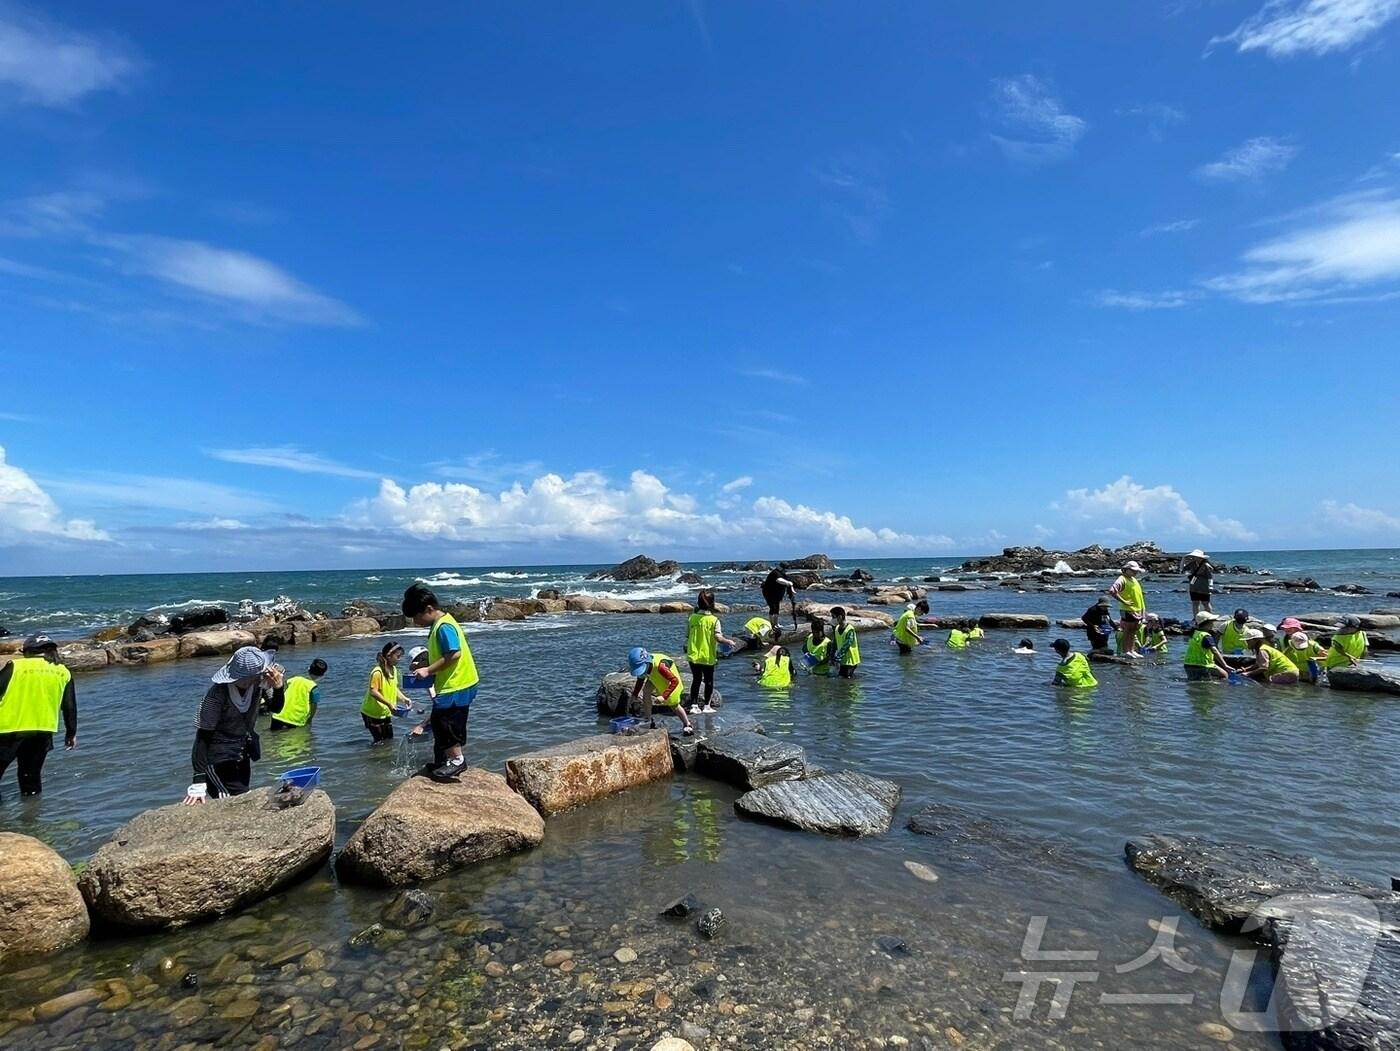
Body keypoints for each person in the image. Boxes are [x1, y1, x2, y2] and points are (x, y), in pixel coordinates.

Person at [403, 584, 481, 781]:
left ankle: (457, 761)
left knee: (446, 723)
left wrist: (428, 670)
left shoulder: (444, 626)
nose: (415, 621)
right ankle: (442, 761)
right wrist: (424, 664)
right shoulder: (441, 623)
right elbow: (442, 653)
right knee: (440, 723)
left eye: (416, 617)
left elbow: (454, 654)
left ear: (429, 609)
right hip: (454, 683)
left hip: (457, 684)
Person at [187, 646, 282, 802]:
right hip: (217, 759)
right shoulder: (216, 695)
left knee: (245, 795)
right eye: (242, 679)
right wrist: (198, 780)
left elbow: (276, 708)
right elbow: (203, 736)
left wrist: (278, 688)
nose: (247, 682)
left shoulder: (260, 683)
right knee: (236, 800)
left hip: (242, 751)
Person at [0, 635, 76, 801]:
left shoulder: (16, 666)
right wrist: (71, 733)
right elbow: (69, 707)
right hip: (42, 731)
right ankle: (31, 820)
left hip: (7, 730)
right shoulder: (62, 671)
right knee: (31, 778)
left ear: (27, 651)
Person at [685, 590, 737, 714]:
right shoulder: (714, 620)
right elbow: (718, 638)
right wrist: (729, 642)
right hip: (707, 655)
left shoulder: (692, 618)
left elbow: (687, 635)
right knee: (708, 681)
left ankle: (694, 705)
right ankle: (707, 706)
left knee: (696, 680)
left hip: (693, 654)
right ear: (712, 603)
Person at [628, 647, 694, 734]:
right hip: (654, 676)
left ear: (647, 662)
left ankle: (687, 724)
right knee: (646, 691)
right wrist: (634, 695)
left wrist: (664, 696)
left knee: (674, 705)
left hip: (669, 680)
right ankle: (648, 719)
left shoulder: (660, 666)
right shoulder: (646, 667)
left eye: (641, 668)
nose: (641, 671)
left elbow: (674, 681)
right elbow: (640, 680)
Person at [361, 642, 405, 743]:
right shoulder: (377, 672)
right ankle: (375, 758)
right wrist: (389, 704)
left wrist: (404, 698)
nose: (399, 659)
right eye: (398, 656)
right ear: (389, 656)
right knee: (379, 742)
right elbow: (373, 692)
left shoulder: (393, 669)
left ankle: (386, 758)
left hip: (385, 712)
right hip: (371, 713)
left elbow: (394, 688)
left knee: (389, 740)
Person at [267, 658, 327, 731]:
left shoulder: (293, 679)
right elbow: (313, 708)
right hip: (295, 720)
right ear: (322, 675)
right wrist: (310, 720)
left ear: (308, 668)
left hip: (278, 716)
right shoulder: (313, 687)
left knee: (275, 738)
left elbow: (282, 690)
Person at [1108, 561, 1148, 657]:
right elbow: (1112, 591)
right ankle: (1126, 651)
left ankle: (1132, 650)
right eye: (1133, 570)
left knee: (1134, 630)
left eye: (1136, 571)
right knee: (1127, 630)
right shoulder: (1122, 579)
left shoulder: (1133, 579)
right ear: (1126, 570)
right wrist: (1124, 601)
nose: (1135, 572)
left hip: (1137, 609)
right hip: (1128, 609)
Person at [1183, 611, 1229, 681]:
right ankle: (1215, 688)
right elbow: (1214, 651)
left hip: (1188, 665)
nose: (1213, 624)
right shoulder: (1206, 636)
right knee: (1224, 675)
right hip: (1203, 665)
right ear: (1206, 623)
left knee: (1195, 682)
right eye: (1211, 622)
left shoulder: (1194, 633)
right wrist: (1225, 665)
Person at [830, 607, 861, 678]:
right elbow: (834, 643)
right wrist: (831, 657)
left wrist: (837, 658)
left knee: (846, 678)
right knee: (841, 677)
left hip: (851, 661)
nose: (832, 619)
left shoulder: (849, 630)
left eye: (833, 617)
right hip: (843, 660)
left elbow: (846, 645)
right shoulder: (837, 628)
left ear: (840, 617)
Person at [1183, 550, 1214, 616]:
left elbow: (1210, 576)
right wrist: (1184, 560)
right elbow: (1182, 569)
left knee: (1206, 603)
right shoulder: (1192, 564)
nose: (1194, 558)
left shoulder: (1206, 565)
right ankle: (1196, 618)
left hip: (1204, 587)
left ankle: (1210, 617)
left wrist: (1211, 586)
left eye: (1195, 556)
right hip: (1193, 587)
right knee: (1195, 603)